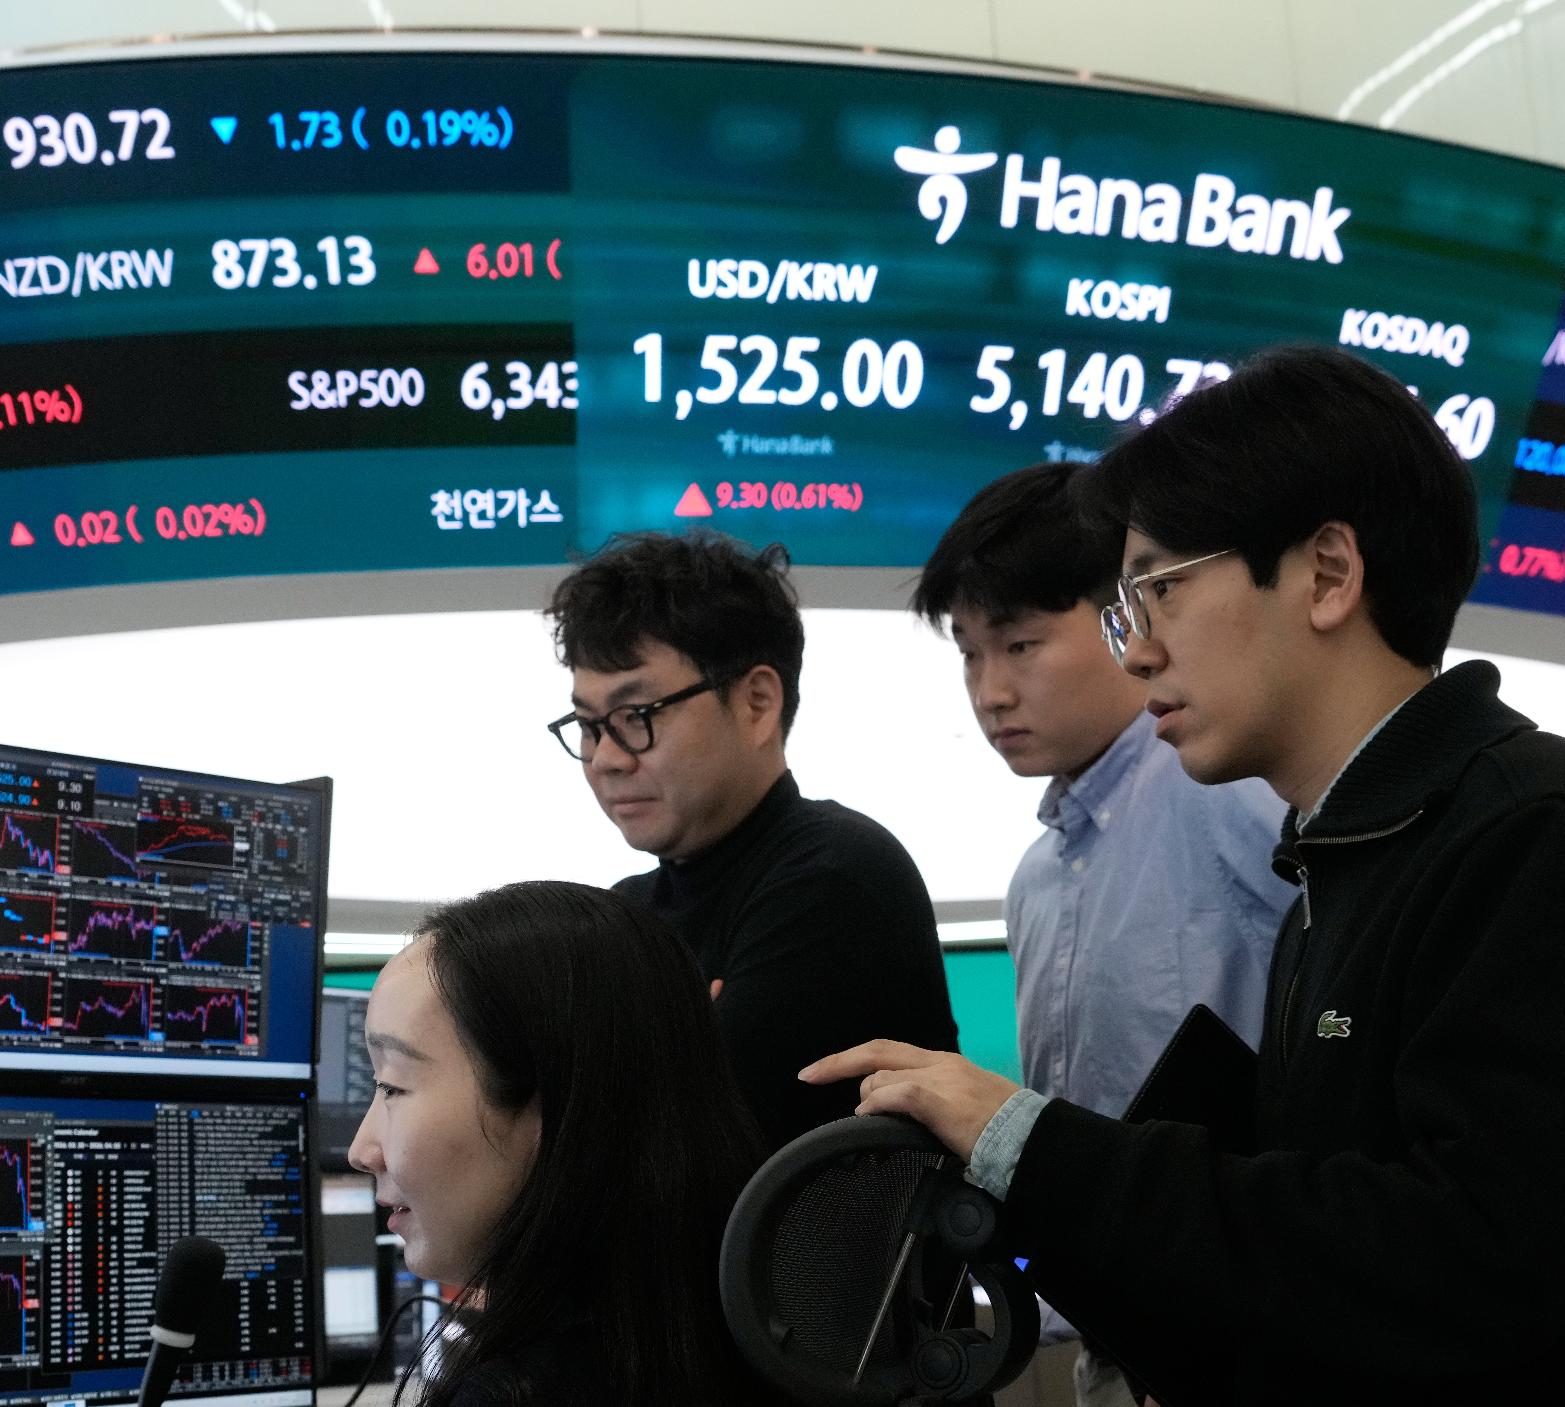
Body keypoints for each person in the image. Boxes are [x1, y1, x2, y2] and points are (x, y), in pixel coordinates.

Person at [804, 344, 1565, 1404]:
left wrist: (1030, 1145)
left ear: (1327, 575)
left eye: (1158, 590)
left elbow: (1463, 1271)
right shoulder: (1342, 861)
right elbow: (1306, 1251)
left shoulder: (1538, 842)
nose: (1137, 652)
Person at [911, 462, 1293, 1405]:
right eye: (969, 653)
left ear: (1124, 620)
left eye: (1022, 643)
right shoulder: (1037, 882)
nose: (990, 690)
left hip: (1252, 1331)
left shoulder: (1240, 802)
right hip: (1106, 1342)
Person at [545, 530, 958, 1151]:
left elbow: (680, 1150)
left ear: (758, 703)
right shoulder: (626, 911)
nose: (604, 758)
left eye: (636, 718)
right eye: (588, 725)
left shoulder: (835, 876)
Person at [348, 880, 777, 1405]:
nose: (361, 1150)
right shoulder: (786, 1349)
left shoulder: (516, 1393)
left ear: (560, 1107)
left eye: (393, 1085)